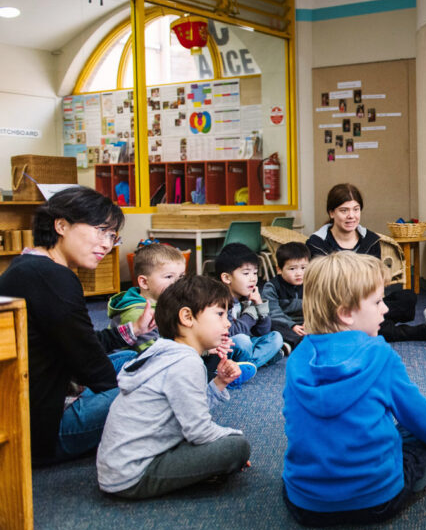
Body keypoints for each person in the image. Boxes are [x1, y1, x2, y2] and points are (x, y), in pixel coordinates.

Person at [282, 253, 426, 526]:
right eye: (377, 302)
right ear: (346, 313)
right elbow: (416, 411)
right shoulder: (380, 354)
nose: (385, 309)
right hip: (377, 500)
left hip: (305, 505)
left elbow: (293, 420)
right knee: (423, 442)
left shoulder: (297, 358)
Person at [0, 186, 150, 465]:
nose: (107, 244)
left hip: (29, 402)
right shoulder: (54, 277)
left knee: (131, 359)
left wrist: (134, 331)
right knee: (149, 386)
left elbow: (77, 341)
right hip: (40, 431)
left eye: (112, 235)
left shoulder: (27, 266)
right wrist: (134, 392)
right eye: (100, 230)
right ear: (61, 225)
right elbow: (90, 363)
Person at [97, 276, 251, 499]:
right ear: (187, 317)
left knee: (222, 443)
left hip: (118, 468)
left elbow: (186, 409)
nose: (227, 323)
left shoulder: (164, 351)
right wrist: (231, 437)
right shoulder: (186, 363)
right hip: (133, 476)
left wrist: (219, 383)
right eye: (219, 314)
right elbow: (200, 432)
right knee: (237, 447)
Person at [305, 183, 426, 342]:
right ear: (332, 213)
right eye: (344, 210)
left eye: (356, 209)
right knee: (374, 323)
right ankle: (394, 329)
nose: (351, 216)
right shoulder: (317, 243)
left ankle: (375, 322)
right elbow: (323, 286)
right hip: (338, 305)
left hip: (366, 300)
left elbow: (375, 280)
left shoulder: (370, 240)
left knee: (408, 297)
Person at [214, 242, 282, 383]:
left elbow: (263, 331)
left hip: (247, 343)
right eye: (246, 273)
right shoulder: (220, 300)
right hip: (227, 345)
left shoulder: (247, 297)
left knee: (276, 337)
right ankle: (259, 360)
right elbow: (231, 332)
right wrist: (251, 313)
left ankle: (245, 366)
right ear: (227, 278)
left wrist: (259, 305)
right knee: (243, 341)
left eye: (255, 273)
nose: (253, 278)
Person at [107, 243, 186, 353]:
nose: (178, 282)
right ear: (144, 282)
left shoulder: (164, 302)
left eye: (181, 276)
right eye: (169, 276)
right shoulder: (137, 314)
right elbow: (153, 354)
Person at [262, 241, 309, 353]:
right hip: (284, 323)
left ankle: (292, 343)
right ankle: (295, 342)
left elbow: (319, 307)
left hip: (305, 323)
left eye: (303, 268)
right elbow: (273, 312)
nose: (299, 273)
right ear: (279, 269)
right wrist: (291, 325)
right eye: (292, 269)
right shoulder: (272, 286)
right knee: (268, 323)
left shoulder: (311, 284)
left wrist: (311, 321)